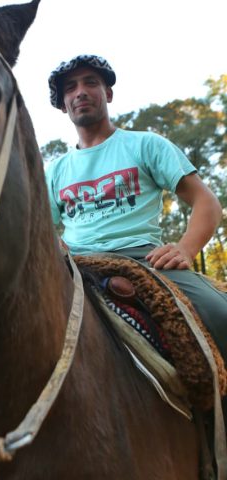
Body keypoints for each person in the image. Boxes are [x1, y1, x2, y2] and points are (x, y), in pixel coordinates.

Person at [45, 54, 227, 362]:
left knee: (220, 314)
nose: (81, 92)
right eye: (71, 88)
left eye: (91, 83)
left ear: (108, 93)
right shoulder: (54, 171)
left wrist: (185, 249)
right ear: (64, 104)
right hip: (77, 266)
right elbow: (40, 231)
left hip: (144, 259)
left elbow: (206, 202)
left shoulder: (146, 145)